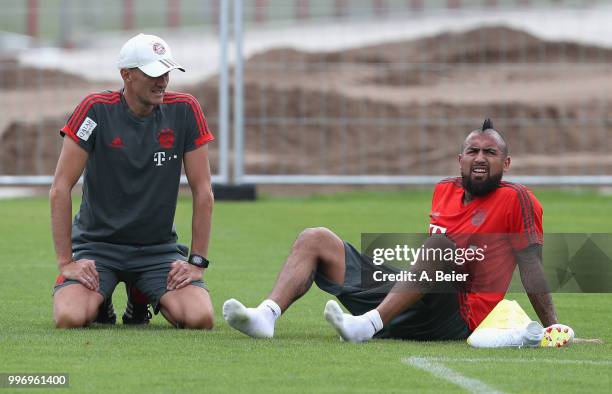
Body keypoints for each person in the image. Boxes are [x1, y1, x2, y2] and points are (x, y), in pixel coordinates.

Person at [223, 119, 572, 346]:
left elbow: (531, 266)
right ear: (459, 158)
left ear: (506, 164)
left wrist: (553, 326)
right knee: (315, 238)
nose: (480, 158)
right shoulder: (444, 190)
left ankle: (367, 326)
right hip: (417, 297)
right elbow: (426, 270)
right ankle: (265, 316)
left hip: (460, 315)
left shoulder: (517, 198)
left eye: (490, 153)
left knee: (437, 245)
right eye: (473, 151)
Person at [50, 33, 215, 329]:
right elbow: (60, 188)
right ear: (126, 75)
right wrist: (67, 262)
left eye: (166, 72)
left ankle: (139, 295)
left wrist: (197, 262)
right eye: (153, 73)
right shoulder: (95, 110)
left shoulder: (186, 110)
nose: (163, 81)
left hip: (157, 250)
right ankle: (103, 299)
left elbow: (203, 192)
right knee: (69, 317)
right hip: (97, 247)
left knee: (200, 318)